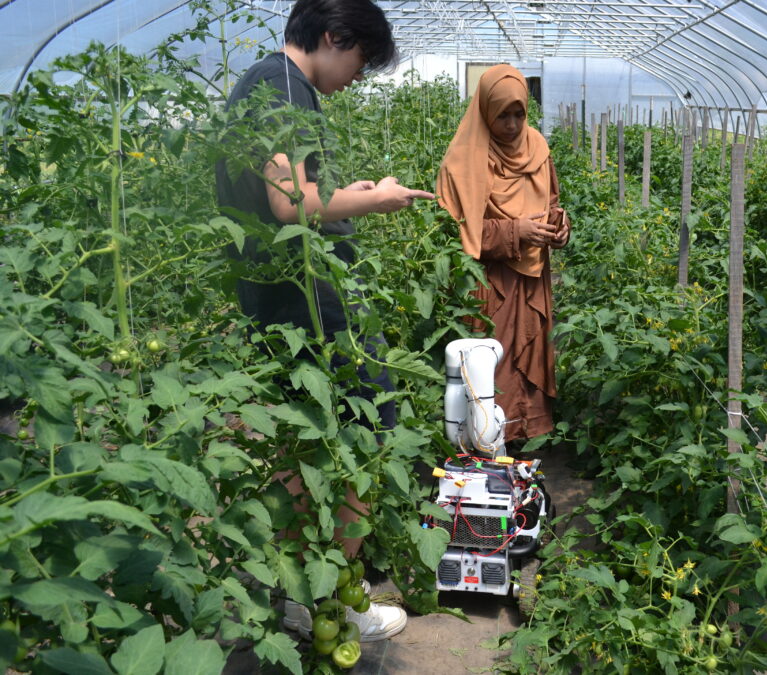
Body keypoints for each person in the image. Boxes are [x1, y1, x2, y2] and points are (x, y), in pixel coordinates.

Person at [215, 0, 435, 643]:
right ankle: (335, 597)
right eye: (360, 63)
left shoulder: (264, 83)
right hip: (304, 299)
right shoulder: (282, 86)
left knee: (306, 440)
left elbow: (295, 197)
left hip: (280, 295)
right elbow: (289, 205)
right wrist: (380, 202)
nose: (356, 79)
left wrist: (356, 193)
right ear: (334, 38)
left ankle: (300, 595)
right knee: (367, 428)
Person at [436, 65, 571, 444]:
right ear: (484, 112)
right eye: (502, 116)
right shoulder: (462, 163)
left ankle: (526, 436)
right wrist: (515, 231)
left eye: (519, 114)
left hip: (531, 280)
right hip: (488, 284)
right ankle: (486, 442)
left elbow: (553, 201)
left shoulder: (539, 150)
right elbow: (455, 228)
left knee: (527, 359)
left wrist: (558, 228)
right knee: (491, 364)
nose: (512, 125)